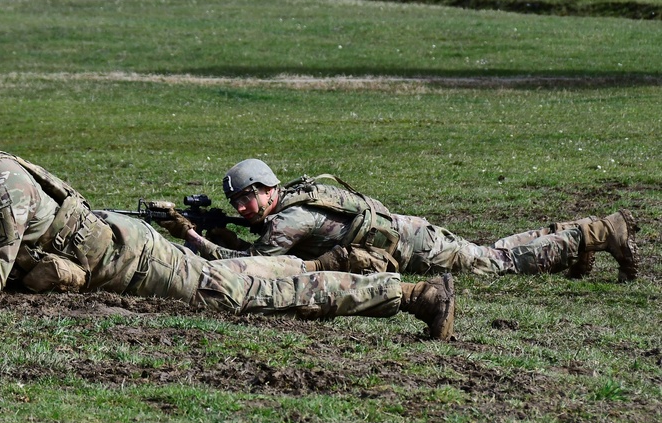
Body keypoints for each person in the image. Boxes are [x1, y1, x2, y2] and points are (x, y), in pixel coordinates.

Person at [0, 99, 456, 340]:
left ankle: (409, 295)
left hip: (133, 260)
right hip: (103, 256)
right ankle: (328, 262)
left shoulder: (0, 185)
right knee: (251, 274)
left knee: (248, 293)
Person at [163, 158, 638, 282]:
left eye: (247, 199)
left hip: (413, 246)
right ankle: (583, 242)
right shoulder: (293, 197)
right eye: (239, 202)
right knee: (493, 251)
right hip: (406, 233)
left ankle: (598, 232)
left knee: (497, 263)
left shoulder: (289, 220)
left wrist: (194, 237)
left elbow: (251, 265)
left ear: (267, 190)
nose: (244, 208)